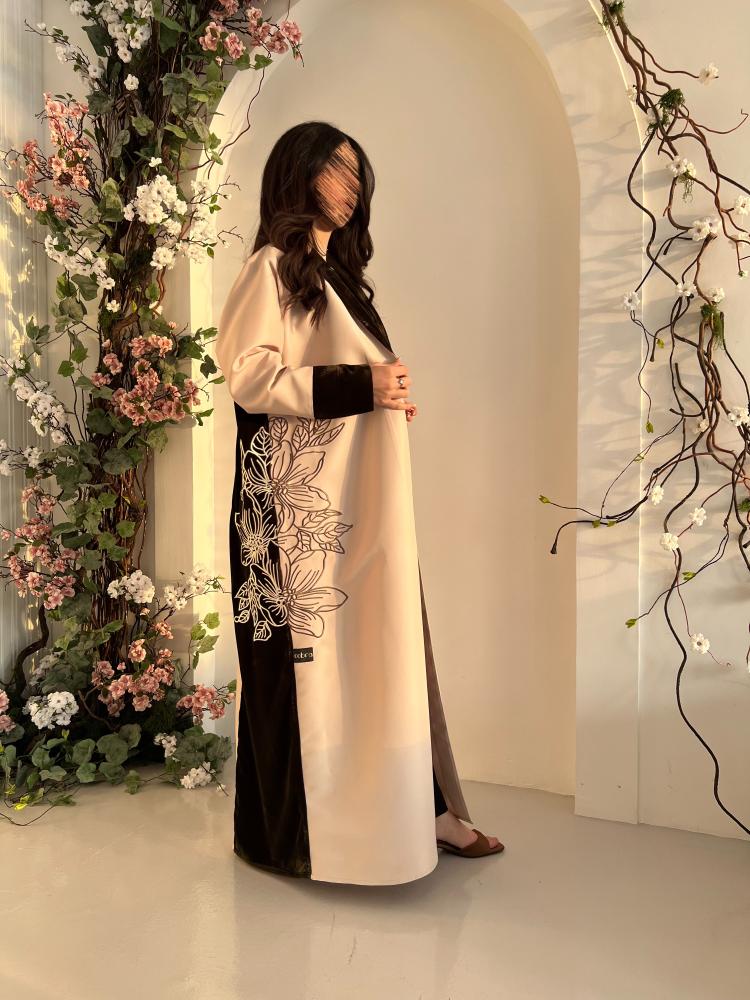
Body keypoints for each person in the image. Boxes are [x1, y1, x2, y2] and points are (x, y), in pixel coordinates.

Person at [216, 121, 503, 885]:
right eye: (334, 171)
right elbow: (250, 378)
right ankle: (295, 841)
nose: (350, 188)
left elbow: (345, 374)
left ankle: (421, 814)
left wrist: (385, 396)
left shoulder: (333, 277)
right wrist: (364, 386)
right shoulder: (271, 269)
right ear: (298, 173)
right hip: (296, 518)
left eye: (356, 174)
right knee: (308, 671)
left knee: (388, 649)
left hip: (356, 504)